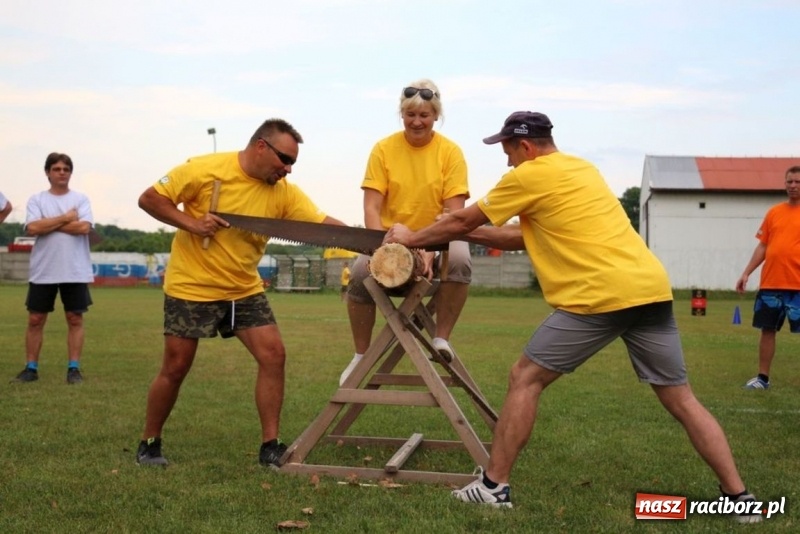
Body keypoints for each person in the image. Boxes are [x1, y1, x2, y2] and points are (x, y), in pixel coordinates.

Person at [384, 111, 761, 523]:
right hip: (650, 290)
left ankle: (493, 486)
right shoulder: (582, 170)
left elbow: (464, 217)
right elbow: (518, 235)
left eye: (508, 151)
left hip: (601, 295)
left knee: (525, 377)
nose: (507, 161)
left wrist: (413, 236)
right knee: (682, 399)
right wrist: (457, 230)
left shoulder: (529, 176)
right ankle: (739, 497)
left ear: (525, 146)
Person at [136, 118, 345, 468]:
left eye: (293, 162)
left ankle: (270, 447)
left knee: (274, 355)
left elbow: (322, 224)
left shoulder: (283, 192)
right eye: (284, 159)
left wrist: (375, 239)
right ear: (261, 146)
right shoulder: (203, 169)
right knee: (176, 366)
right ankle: (149, 442)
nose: (288, 169)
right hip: (192, 285)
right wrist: (193, 223)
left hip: (243, 288)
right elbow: (150, 199)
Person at [341, 79, 471, 385]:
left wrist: (431, 248)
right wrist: (380, 250)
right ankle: (361, 355)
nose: (416, 121)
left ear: (436, 115)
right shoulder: (383, 149)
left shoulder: (450, 152)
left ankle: (441, 340)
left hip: (437, 238)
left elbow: (453, 213)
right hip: (389, 239)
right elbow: (372, 207)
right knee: (359, 272)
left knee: (460, 259)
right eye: (410, 114)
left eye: (424, 115)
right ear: (401, 114)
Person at [12, 153, 94, 385]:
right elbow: (32, 228)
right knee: (35, 319)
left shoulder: (81, 199)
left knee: (74, 318)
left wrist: (48, 223)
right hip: (44, 269)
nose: (62, 172)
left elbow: (84, 228)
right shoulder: (37, 199)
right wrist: (66, 218)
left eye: (66, 169)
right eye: (57, 169)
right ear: (47, 172)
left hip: (74, 269)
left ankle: (73, 369)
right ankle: (31, 368)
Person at [735, 165, 800, 390]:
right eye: (790, 182)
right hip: (772, 284)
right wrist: (746, 272)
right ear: (785, 184)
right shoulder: (774, 213)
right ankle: (763, 379)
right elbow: (763, 246)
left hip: (798, 286)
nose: (793, 186)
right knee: (767, 330)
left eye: (798, 182)